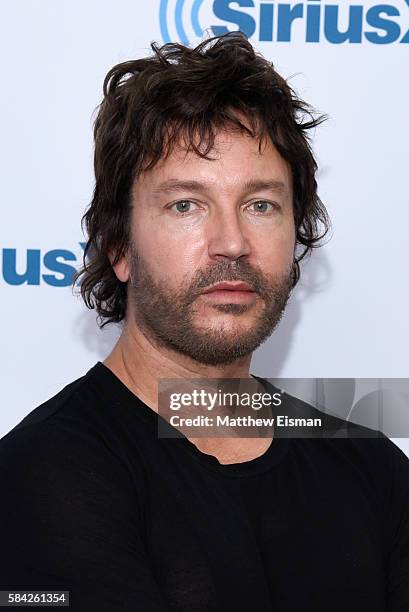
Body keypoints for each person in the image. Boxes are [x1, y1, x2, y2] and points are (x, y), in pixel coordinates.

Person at [0, 32, 408, 612]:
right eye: (186, 205)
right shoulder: (40, 477)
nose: (232, 243)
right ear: (118, 245)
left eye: (260, 204)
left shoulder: (371, 467)